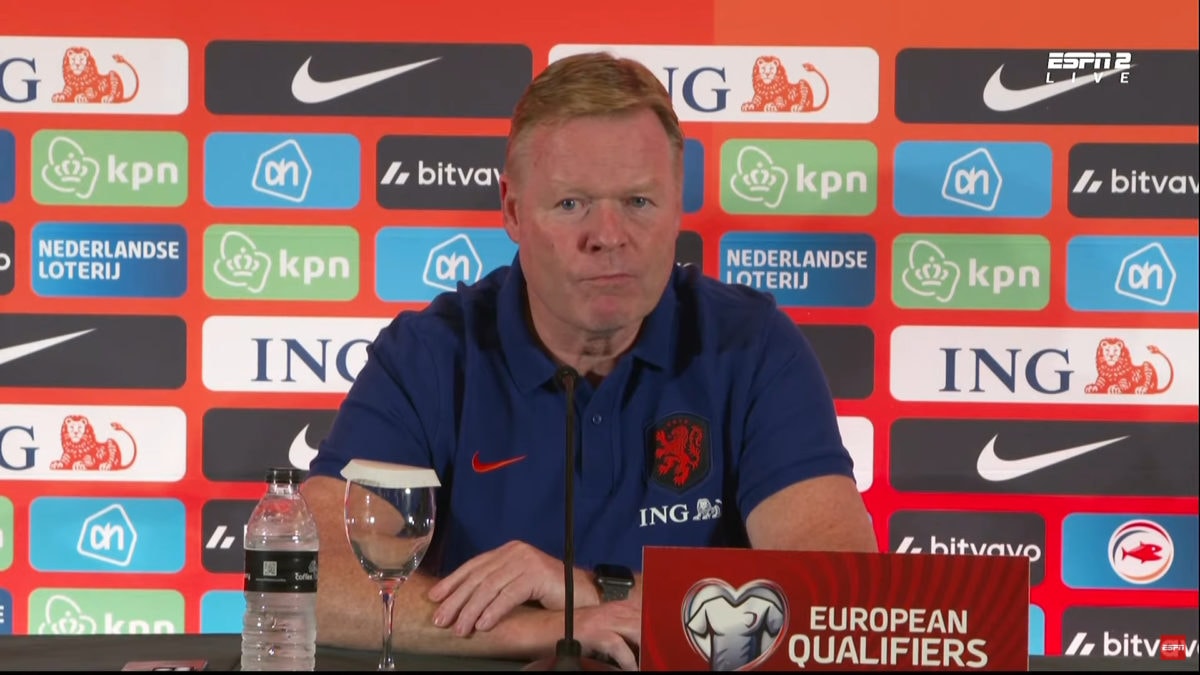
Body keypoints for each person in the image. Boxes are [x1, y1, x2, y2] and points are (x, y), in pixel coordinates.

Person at [299, 50, 878, 670]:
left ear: (677, 208)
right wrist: (545, 630)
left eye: (638, 202)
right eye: (572, 204)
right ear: (512, 211)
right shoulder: (432, 355)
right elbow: (305, 577)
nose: (607, 235)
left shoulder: (751, 345)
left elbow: (843, 599)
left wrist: (595, 593)